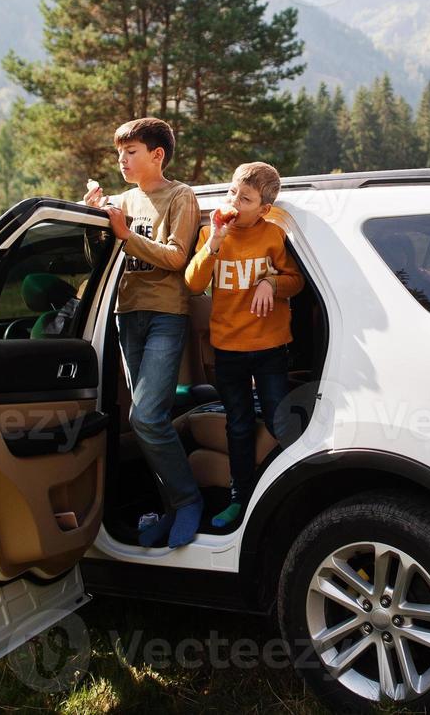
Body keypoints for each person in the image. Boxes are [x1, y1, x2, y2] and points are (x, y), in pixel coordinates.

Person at [84, 117, 205, 549]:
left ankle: (189, 501)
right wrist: (96, 221)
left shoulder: (180, 196)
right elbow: (102, 258)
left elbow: (175, 258)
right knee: (148, 419)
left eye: (131, 152)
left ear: (157, 155)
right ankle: (170, 505)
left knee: (146, 416)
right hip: (125, 314)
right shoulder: (120, 201)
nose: (122, 161)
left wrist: (122, 233)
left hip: (165, 314)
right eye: (119, 154)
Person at [183, 161, 303, 530]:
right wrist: (215, 241)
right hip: (229, 348)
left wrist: (272, 284)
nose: (234, 201)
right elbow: (193, 283)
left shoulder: (272, 235)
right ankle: (240, 498)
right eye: (232, 192)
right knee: (236, 424)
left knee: (279, 417)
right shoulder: (211, 234)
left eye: (245, 198)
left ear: (264, 209)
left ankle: (290, 494)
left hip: (269, 346)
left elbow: (295, 280)